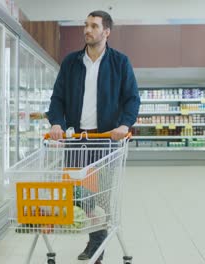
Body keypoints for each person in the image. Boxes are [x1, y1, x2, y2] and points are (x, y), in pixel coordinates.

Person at [46, 10, 140, 264]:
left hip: (106, 140)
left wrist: (124, 124)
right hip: (76, 140)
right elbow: (58, 98)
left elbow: (132, 98)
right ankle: (93, 236)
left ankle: (96, 244)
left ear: (106, 32)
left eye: (94, 26)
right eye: (86, 25)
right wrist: (56, 122)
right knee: (79, 195)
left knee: (100, 196)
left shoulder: (120, 62)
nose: (87, 30)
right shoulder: (71, 62)